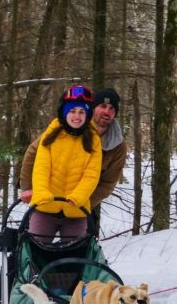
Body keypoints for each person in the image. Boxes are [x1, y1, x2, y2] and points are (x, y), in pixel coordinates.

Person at [20, 86, 127, 233]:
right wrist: (29, 188)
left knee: (80, 248)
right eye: (102, 106)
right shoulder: (68, 126)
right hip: (47, 200)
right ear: (93, 108)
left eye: (111, 108)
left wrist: (82, 200)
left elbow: (107, 183)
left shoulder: (117, 146)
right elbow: (34, 154)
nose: (106, 111)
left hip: (81, 203)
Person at [28, 84, 102, 243]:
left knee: (73, 258)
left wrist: (78, 197)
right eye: (73, 111)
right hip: (45, 207)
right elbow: (41, 167)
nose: (77, 116)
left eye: (82, 112)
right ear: (64, 112)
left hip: (76, 211)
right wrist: (41, 192)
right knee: (35, 251)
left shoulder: (94, 140)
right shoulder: (51, 135)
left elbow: (92, 174)